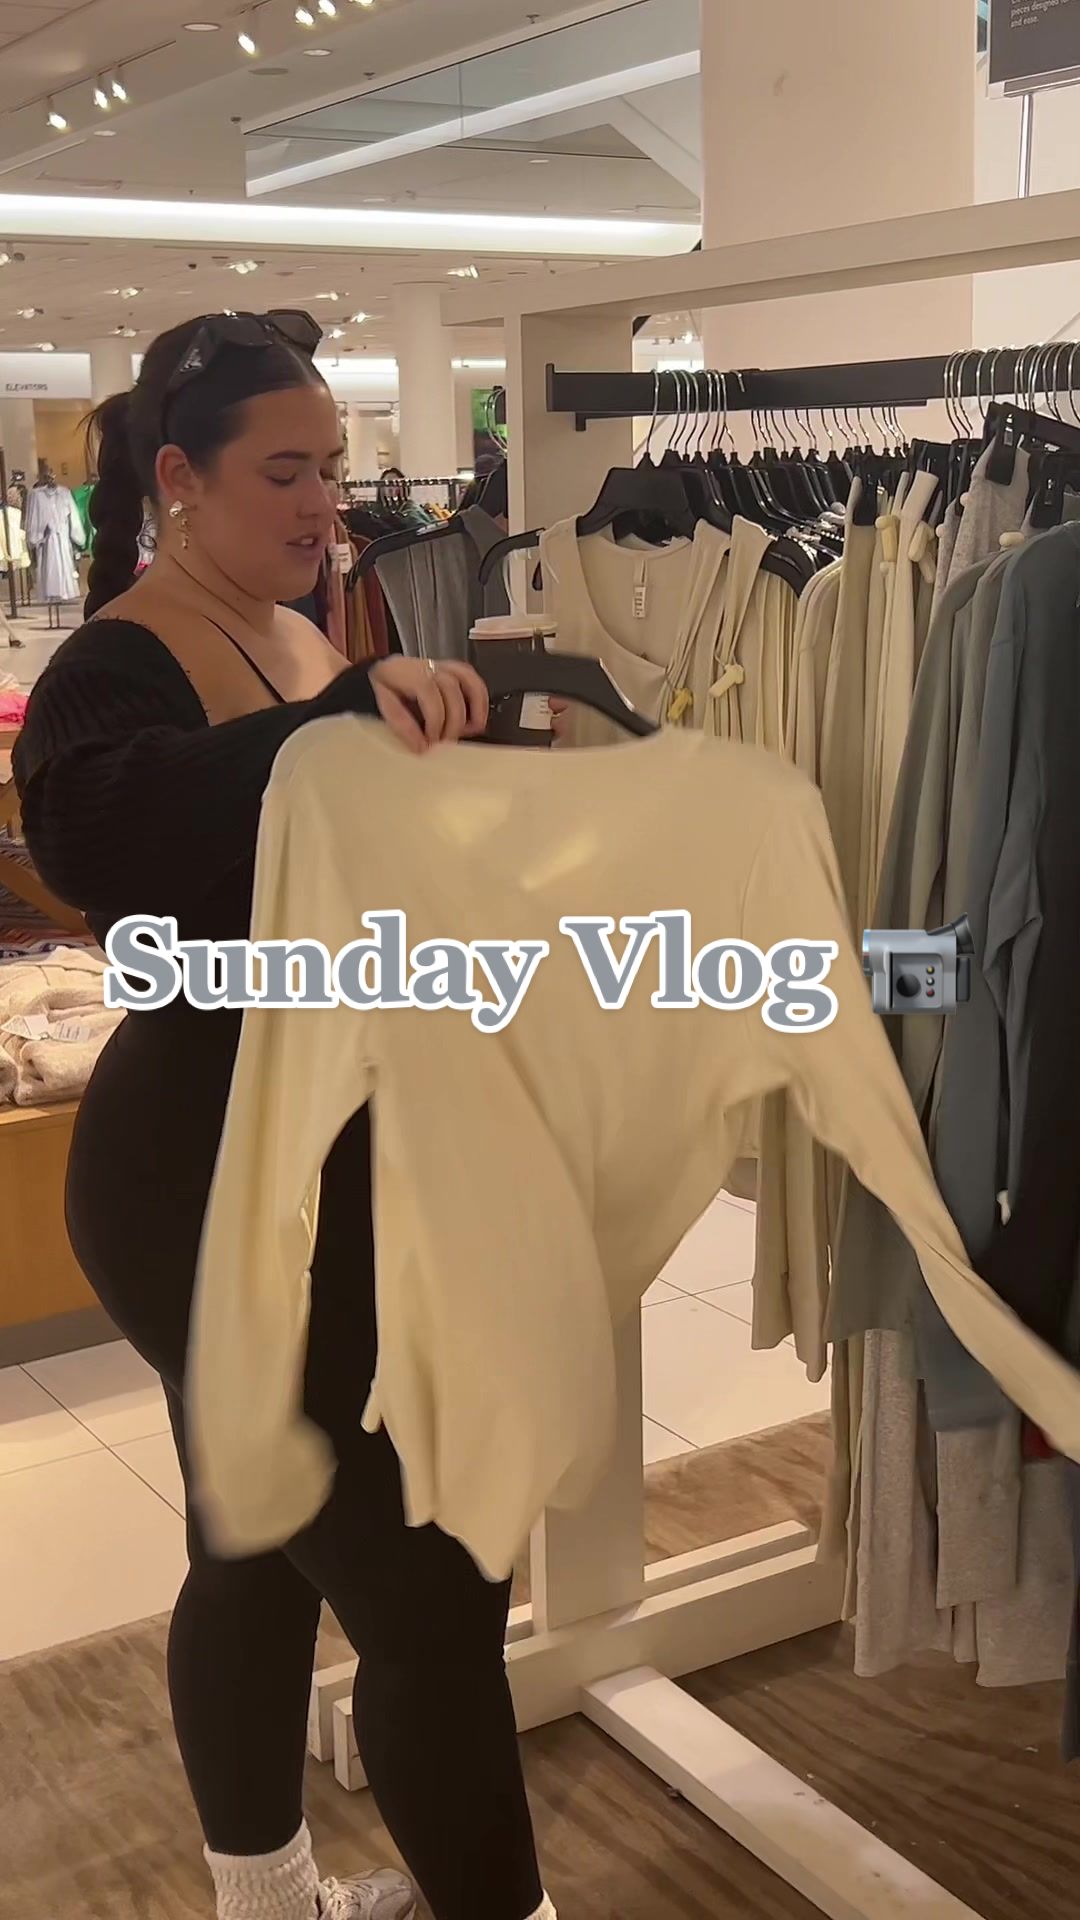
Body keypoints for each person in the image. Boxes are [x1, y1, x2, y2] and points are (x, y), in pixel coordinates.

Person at [13, 312, 555, 1920]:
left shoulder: (304, 633)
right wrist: (337, 725)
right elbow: (101, 845)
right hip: (206, 1181)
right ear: (182, 478)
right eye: (286, 472)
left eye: (333, 466)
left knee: (254, 1546)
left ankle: (263, 1894)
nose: (326, 501)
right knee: (435, 1592)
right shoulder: (125, 661)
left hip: (327, 1162)